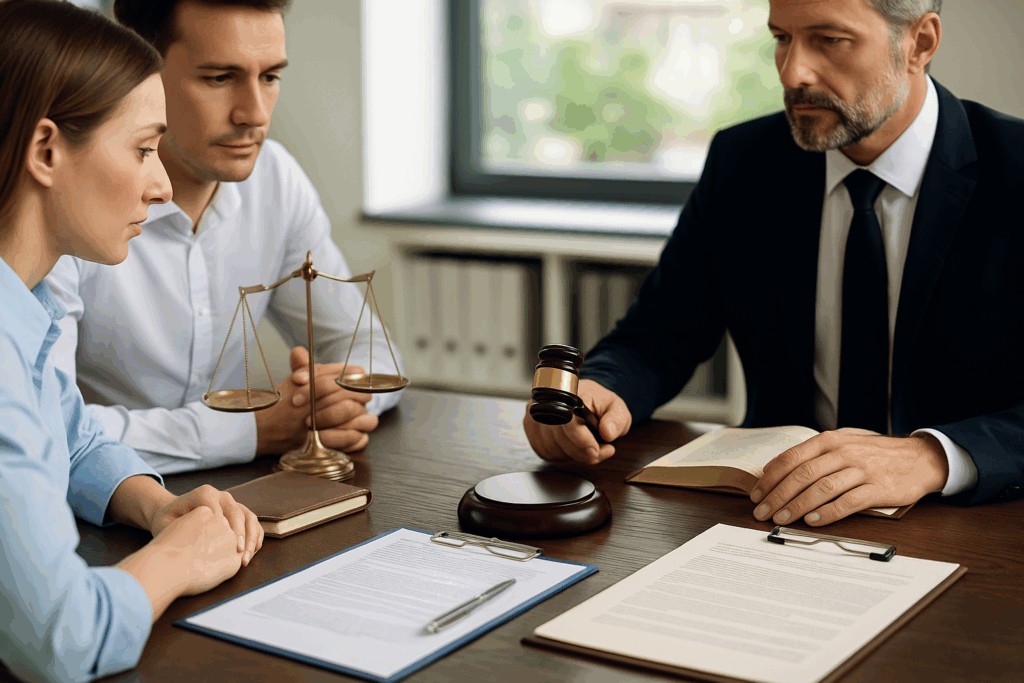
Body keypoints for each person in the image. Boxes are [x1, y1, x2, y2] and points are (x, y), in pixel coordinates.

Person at [525, 0, 1024, 525]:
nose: (793, 72)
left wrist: (933, 456)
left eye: (829, 40)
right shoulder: (743, 161)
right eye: (781, 38)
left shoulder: (1014, 170)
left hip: (970, 525)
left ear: (919, 43)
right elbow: (659, 334)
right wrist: (601, 391)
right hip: (772, 513)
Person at [0, 2, 264, 681]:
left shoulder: (25, 302)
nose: (161, 184)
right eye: (144, 148)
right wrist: (177, 558)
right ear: (47, 150)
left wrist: (160, 505)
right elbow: (60, 637)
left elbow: (73, 435)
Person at [44, 0, 404, 474]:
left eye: (270, 77)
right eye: (219, 78)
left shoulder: (275, 179)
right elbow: (48, 428)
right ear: (137, 69)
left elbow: (371, 351)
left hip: (244, 497)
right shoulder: (64, 200)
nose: (253, 114)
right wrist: (251, 431)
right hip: (93, 508)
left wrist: (336, 401)